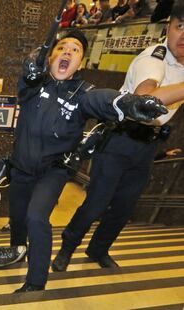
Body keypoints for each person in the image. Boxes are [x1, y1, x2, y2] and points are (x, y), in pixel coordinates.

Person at [9, 29, 167, 293]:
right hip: (21, 168)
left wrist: (128, 103)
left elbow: (103, 100)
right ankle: (17, 249)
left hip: (54, 170)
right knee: (17, 220)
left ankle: (35, 283)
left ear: (80, 63)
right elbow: (26, 81)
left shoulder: (83, 93)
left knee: (36, 218)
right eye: (61, 48)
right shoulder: (34, 84)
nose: (67, 52)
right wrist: (29, 68)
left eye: (75, 50)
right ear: (50, 57)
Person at [52, 4, 184, 273]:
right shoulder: (154, 57)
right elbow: (146, 98)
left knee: (124, 208)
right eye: (180, 26)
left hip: (148, 146)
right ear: (167, 28)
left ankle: (98, 250)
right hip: (119, 140)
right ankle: (67, 248)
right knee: (96, 204)